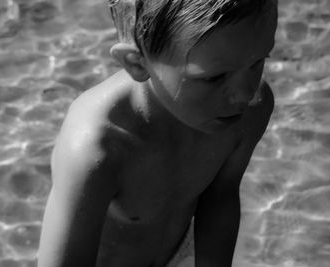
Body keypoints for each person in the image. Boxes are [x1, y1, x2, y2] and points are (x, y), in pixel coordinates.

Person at [37, 0, 278, 266]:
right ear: (137, 63)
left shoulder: (247, 112)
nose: (245, 94)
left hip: (180, 251)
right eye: (214, 78)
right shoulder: (98, 147)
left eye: (258, 62)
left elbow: (220, 197)